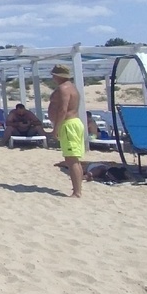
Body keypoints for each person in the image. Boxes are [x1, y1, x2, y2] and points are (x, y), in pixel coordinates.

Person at [47, 64, 84, 198]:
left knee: (71, 159)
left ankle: (77, 192)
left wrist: (56, 128)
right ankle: (77, 189)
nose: (52, 77)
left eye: (54, 75)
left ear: (58, 76)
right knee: (74, 159)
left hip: (68, 124)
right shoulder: (71, 87)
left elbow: (63, 109)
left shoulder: (64, 89)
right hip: (73, 123)